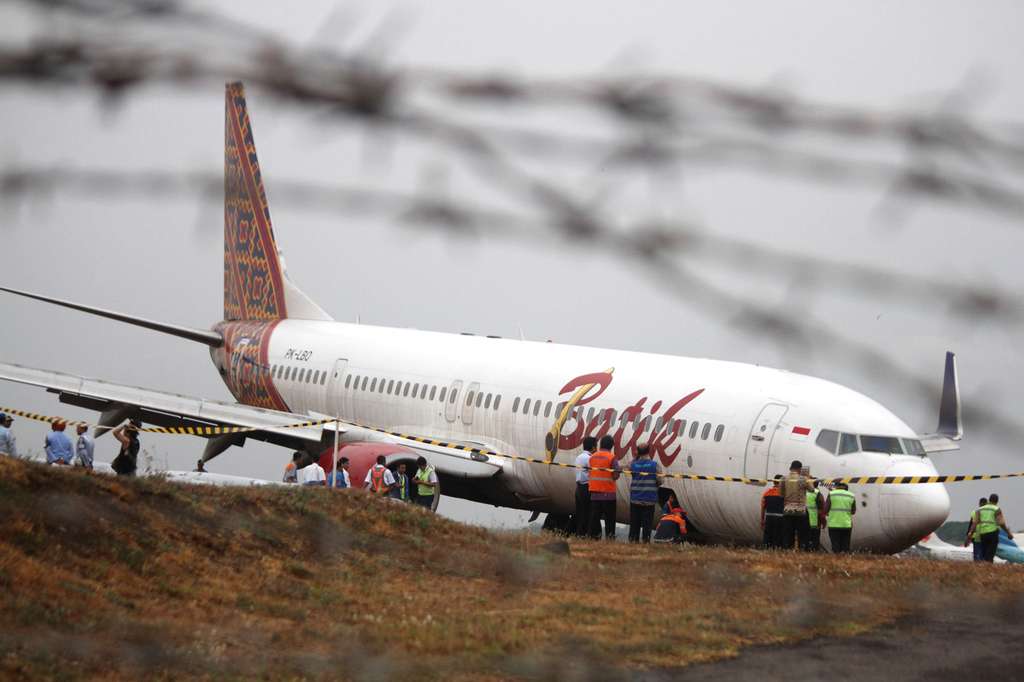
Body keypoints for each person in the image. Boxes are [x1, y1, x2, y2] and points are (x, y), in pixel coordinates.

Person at [628, 443, 663, 543]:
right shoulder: (655, 465)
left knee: (634, 524)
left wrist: (636, 457)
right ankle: (645, 541)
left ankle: (633, 541)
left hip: (635, 499)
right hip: (649, 499)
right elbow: (661, 481)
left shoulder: (634, 465)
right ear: (649, 451)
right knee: (647, 524)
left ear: (638, 452)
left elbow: (628, 467)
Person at [588, 434, 621, 540]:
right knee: (610, 519)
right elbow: (615, 475)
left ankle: (593, 537)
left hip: (594, 493)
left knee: (595, 518)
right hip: (608, 494)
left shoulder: (592, 457)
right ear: (611, 446)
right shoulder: (611, 457)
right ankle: (610, 538)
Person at [964, 494, 1014, 563]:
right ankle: (988, 568)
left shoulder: (980, 509)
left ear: (989, 500)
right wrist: (1008, 533)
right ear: (997, 501)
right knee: (990, 554)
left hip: (983, 534)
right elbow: (1001, 523)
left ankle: (984, 568)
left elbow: (974, 523)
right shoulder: (996, 509)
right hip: (993, 533)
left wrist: (970, 533)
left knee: (984, 554)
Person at [779, 460, 815, 550]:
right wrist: (809, 479)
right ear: (799, 469)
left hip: (788, 509)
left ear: (791, 468)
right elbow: (812, 489)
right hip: (800, 510)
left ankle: (787, 548)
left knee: (788, 532)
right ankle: (802, 548)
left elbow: (781, 494)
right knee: (803, 532)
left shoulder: (783, 479)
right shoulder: (803, 479)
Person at [825, 483, 857, 553]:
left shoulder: (831, 494)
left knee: (835, 545)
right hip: (846, 525)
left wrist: (827, 513)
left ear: (837, 487)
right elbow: (853, 511)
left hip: (833, 524)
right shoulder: (851, 495)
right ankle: (845, 560)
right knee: (845, 546)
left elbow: (826, 509)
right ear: (846, 488)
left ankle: (837, 561)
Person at [574, 436, 596, 537]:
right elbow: (595, 472)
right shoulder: (590, 458)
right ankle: (585, 534)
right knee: (588, 513)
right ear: (593, 447)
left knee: (580, 512)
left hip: (578, 488)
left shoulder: (579, 457)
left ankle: (579, 533)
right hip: (586, 487)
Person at [799, 468, 824, 551]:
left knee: (804, 539)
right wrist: (823, 520)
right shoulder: (817, 493)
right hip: (814, 522)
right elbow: (821, 509)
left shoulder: (803, 492)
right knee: (815, 541)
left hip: (803, 520)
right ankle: (813, 551)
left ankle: (804, 550)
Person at [761, 477, 784, 549]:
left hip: (769, 517)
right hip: (780, 518)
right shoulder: (783, 493)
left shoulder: (766, 492)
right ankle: (776, 549)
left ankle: (766, 549)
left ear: (774, 482)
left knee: (767, 536)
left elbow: (763, 507)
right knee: (778, 536)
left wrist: (762, 519)